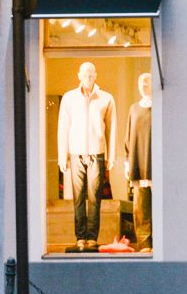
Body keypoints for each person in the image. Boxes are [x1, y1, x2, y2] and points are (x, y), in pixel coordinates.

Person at [56, 61, 117, 253]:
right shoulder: (69, 98)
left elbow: (112, 128)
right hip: (76, 153)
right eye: (85, 74)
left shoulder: (106, 98)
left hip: (97, 153)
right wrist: (61, 155)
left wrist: (111, 155)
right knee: (78, 198)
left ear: (96, 75)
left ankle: (92, 237)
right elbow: (63, 128)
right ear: (78, 75)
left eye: (91, 75)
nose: (88, 78)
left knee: (94, 198)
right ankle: (80, 237)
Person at [125, 73, 153, 252]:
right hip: (138, 161)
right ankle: (144, 243)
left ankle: (159, 241)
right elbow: (128, 137)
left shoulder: (159, 107)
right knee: (140, 206)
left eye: (146, 83)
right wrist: (127, 163)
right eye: (140, 83)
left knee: (157, 204)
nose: (142, 86)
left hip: (154, 161)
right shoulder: (134, 109)